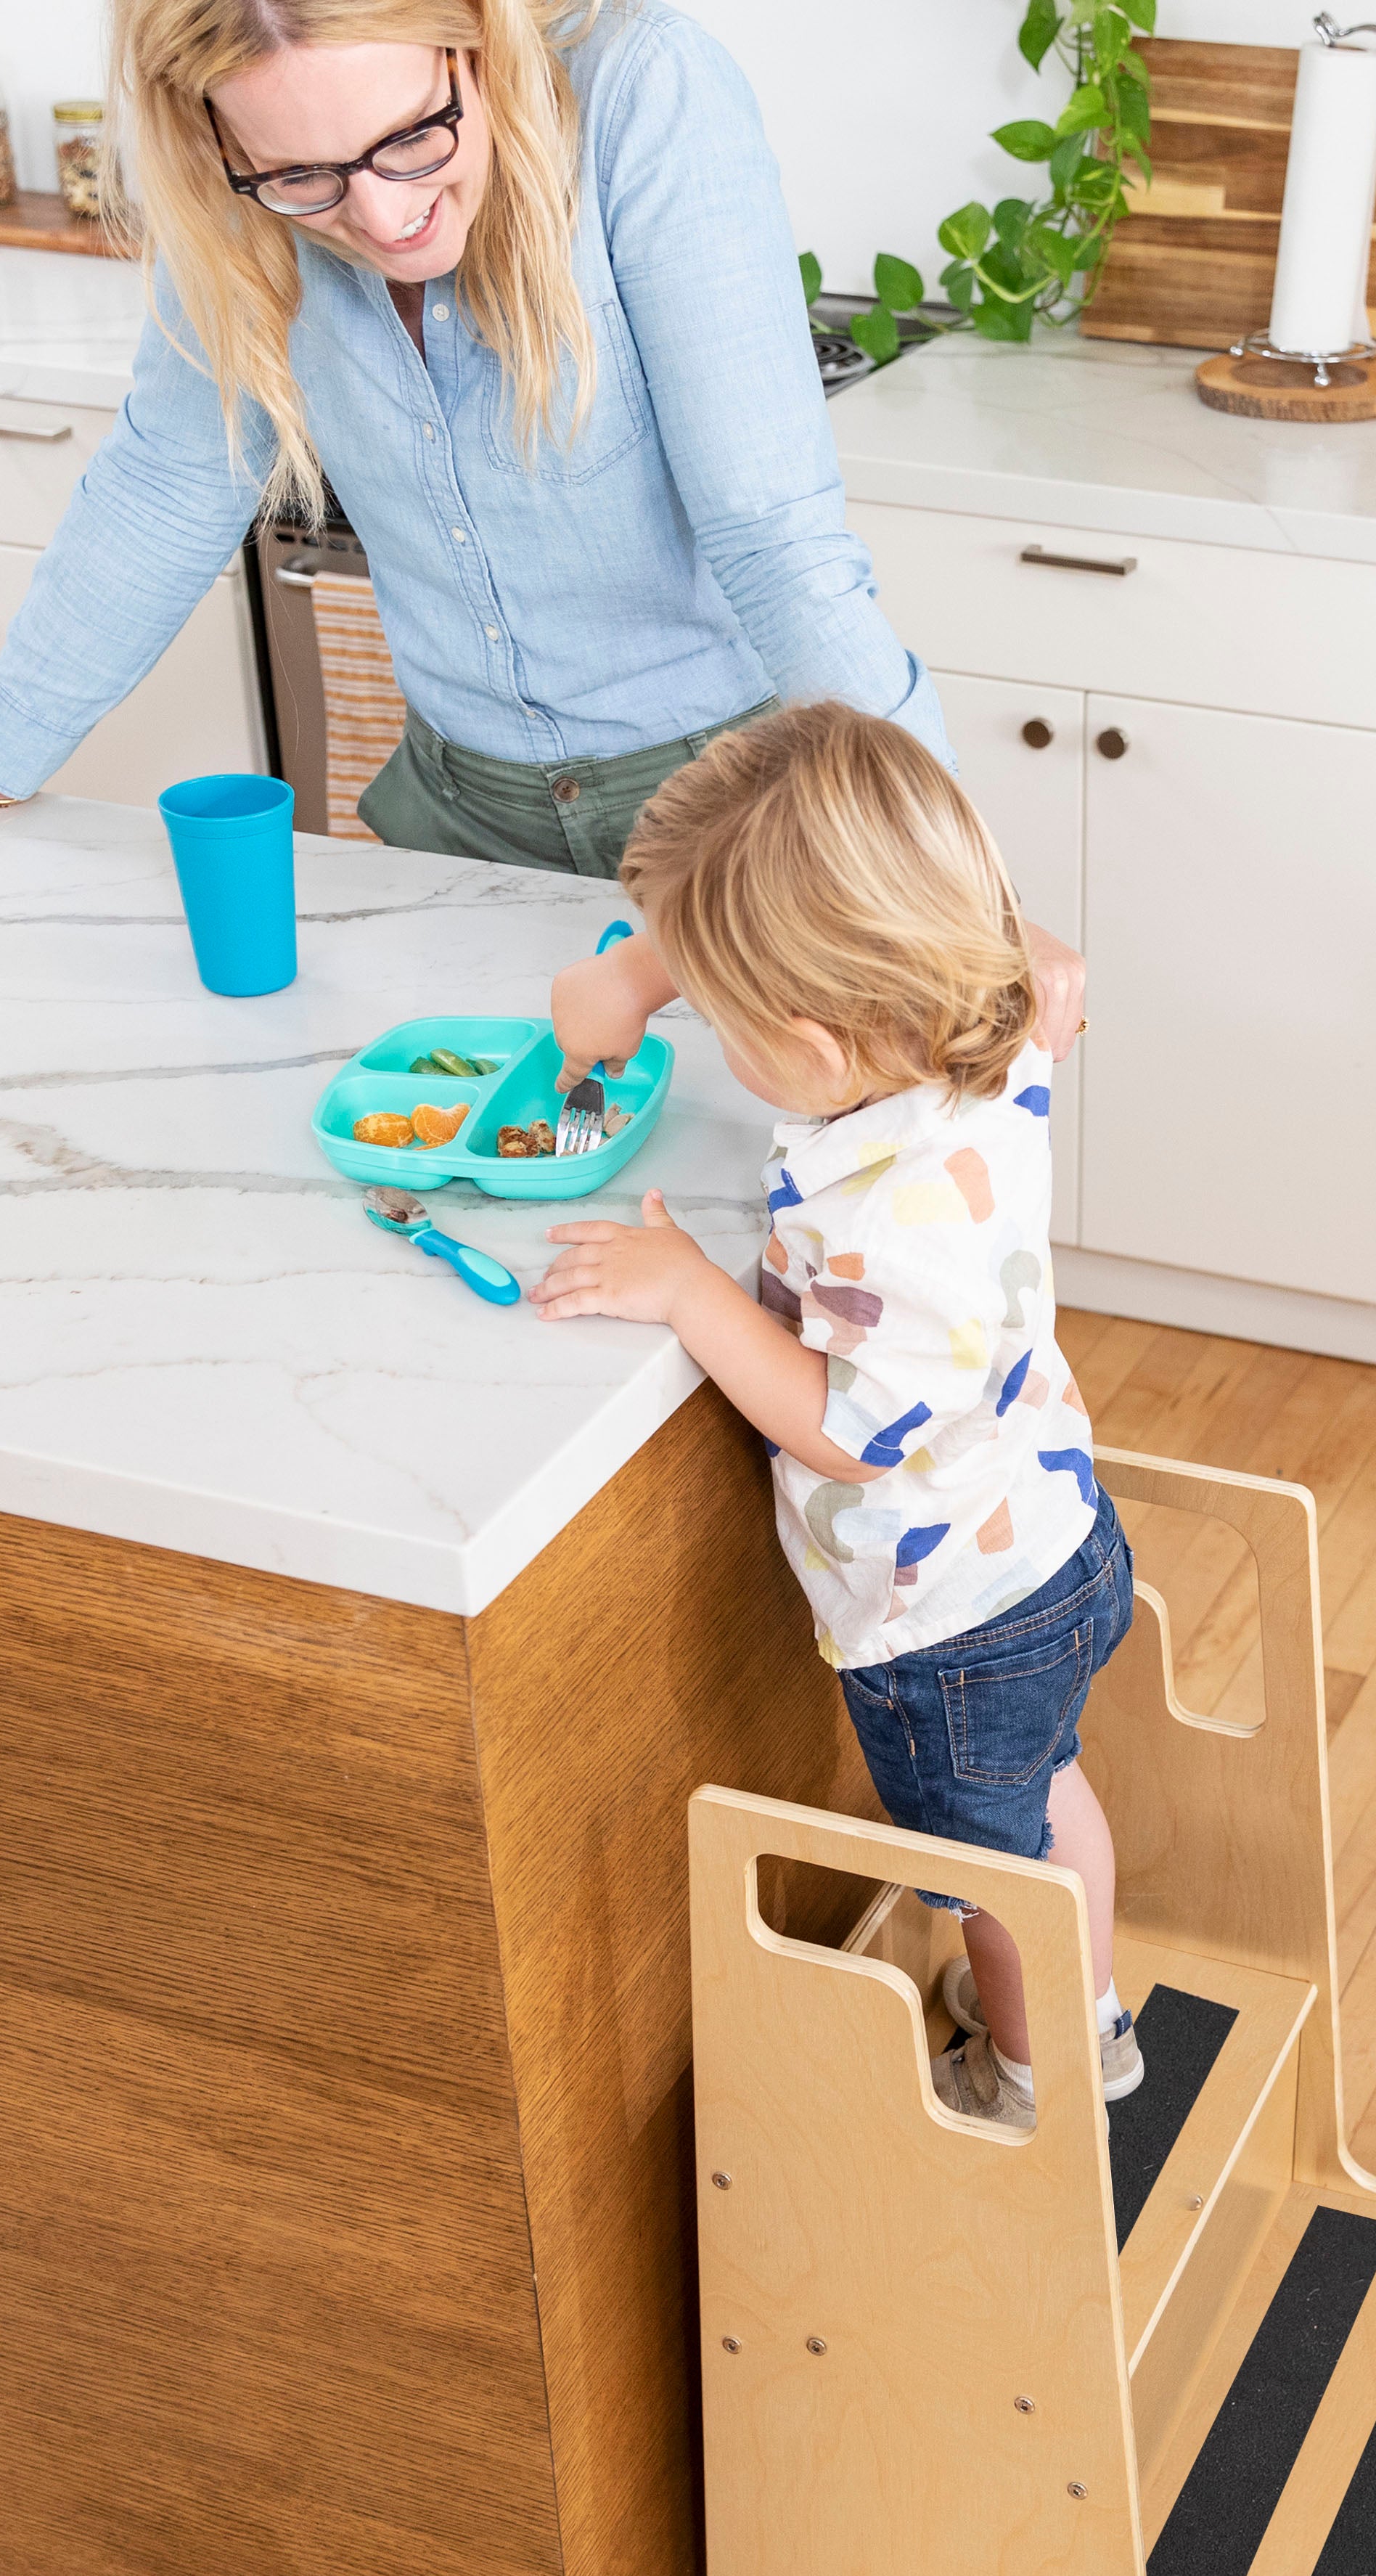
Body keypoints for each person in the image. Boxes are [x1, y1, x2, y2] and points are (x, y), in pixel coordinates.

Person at [0, 0, 950, 879]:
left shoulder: (641, 90)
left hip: (736, 823)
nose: (380, 220)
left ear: (478, 37)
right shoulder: (227, 193)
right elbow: (168, 482)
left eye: (414, 139)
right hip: (456, 818)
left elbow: (774, 538)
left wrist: (944, 888)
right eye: (302, 177)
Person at [532, 703, 1139, 2129]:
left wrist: (687, 1289)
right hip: (1046, 1537)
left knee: (999, 1872)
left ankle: (1036, 2084)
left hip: (949, 1626)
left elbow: (848, 1428)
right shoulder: (984, 1033)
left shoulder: (893, 1223)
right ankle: (1085, 2017)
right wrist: (635, 979)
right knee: (1046, 1802)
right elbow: (784, 898)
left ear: (806, 1046)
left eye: (730, 1019)